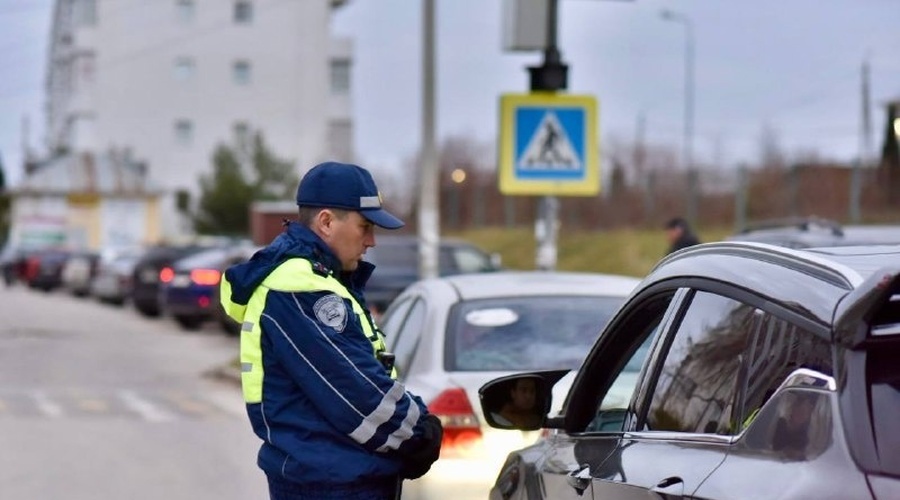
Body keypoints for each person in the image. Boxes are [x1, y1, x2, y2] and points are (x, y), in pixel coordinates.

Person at [220, 161, 443, 500]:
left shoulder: (319, 279)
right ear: (326, 222)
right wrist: (418, 434)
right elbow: (357, 391)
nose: (371, 241)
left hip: (331, 478)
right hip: (332, 485)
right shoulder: (301, 289)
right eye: (364, 226)